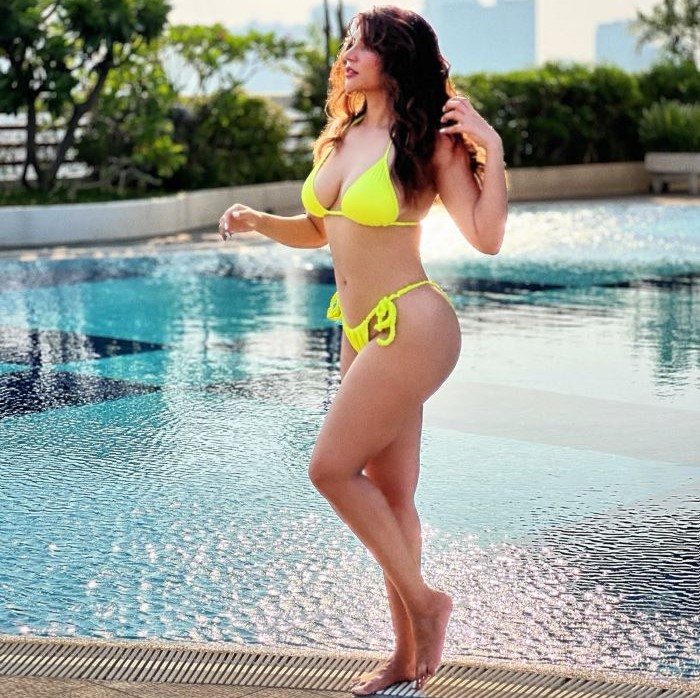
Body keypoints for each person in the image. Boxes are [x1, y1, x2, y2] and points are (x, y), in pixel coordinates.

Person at [219, 5, 507, 694]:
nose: (348, 54)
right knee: (394, 496)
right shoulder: (342, 136)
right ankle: (404, 661)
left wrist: (491, 149)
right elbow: (321, 229)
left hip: (413, 324)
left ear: (396, 58)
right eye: (348, 42)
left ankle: (427, 604)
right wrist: (258, 221)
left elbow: (486, 236)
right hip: (359, 332)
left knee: (329, 469)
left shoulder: (429, 142)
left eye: (365, 45)